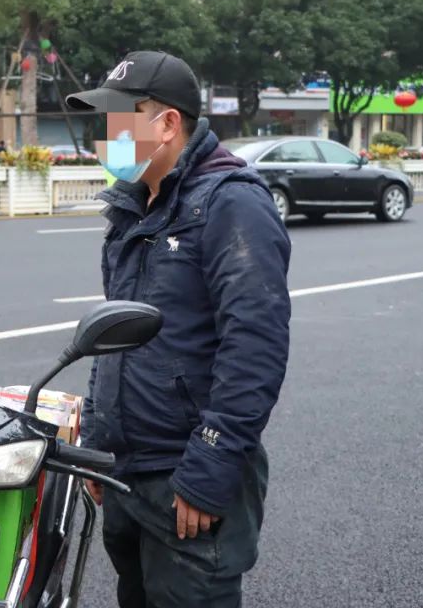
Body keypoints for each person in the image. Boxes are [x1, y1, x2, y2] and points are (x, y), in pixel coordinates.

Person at [66, 51, 291, 607]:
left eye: (122, 119)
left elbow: (255, 346)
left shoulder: (231, 202)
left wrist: (210, 469)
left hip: (186, 477)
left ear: (166, 123)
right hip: (128, 474)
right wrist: (97, 440)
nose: (109, 135)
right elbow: (113, 335)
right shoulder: (133, 207)